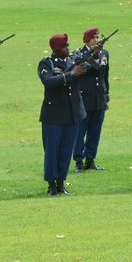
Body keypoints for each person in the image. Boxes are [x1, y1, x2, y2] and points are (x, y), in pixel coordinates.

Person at [39, 34, 88, 195]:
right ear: (57, 49)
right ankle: (51, 184)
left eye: (68, 45)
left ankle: (61, 182)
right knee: (52, 151)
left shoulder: (72, 61)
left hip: (72, 113)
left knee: (66, 150)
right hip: (53, 114)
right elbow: (48, 81)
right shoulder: (47, 63)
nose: (68, 48)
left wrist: (93, 54)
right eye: (65, 46)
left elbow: (94, 68)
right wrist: (71, 74)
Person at [73, 27, 110, 173]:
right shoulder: (78, 54)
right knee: (80, 131)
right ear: (87, 40)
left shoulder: (104, 53)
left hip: (98, 97)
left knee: (95, 131)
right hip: (84, 97)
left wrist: (106, 96)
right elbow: (88, 71)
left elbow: (104, 76)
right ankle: (78, 160)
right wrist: (94, 55)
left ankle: (90, 158)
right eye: (93, 38)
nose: (97, 40)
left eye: (98, 37)